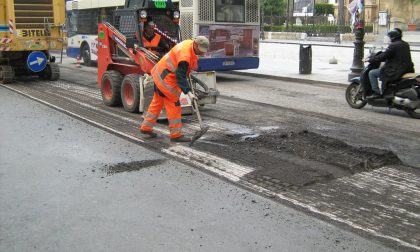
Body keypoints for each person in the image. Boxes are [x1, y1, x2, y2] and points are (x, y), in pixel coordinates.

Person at [139, 36, 209, 142]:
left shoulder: (189, 45)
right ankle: (176, 135)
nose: (202, 53)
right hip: (166, 80)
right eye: (200, 50)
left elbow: (183, 67)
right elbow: (180, 76)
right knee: (175, 105)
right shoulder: (185, 55)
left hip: (160, 75)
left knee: (157, 103)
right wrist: (188, 92)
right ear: (195, 44)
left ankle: (146, 127)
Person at [367, 28, 415, 98]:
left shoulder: (393, 45)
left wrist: (371, 59)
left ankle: (376, 93)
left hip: (396, 70)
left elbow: (384, 56)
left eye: (389, 37)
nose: (389, 38)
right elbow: (393, 55)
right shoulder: (405, 44)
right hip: (407, 69)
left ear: (392, 37)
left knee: (372, 73)